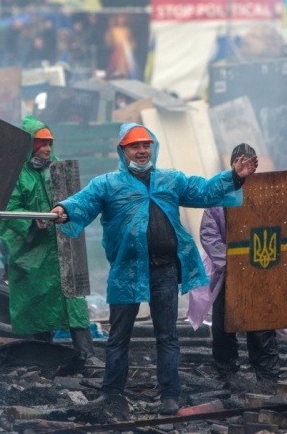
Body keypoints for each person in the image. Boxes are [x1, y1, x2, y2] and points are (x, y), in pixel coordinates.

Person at [49, 124, 258, 414]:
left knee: (167, 337)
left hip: (164, 271)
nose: (142, 150)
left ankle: (170, 395)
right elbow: (82, 202)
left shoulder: (171, 180)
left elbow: (205, 191)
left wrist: (235, 176)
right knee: (118, 337)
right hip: (127, 271)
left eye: (146, 145)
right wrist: (63, 210)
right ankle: (111, 394)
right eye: (135, 146)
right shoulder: (107, 184)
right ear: (122, 151)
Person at [0, 116, 95, 361]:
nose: (47, 148)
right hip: (35, 252)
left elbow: (77, 201)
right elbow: (9, 209)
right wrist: (32, 220)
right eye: (41, 143)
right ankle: (45, 356)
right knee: (39, 302)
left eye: (49, 143)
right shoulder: (17, 175)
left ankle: (86, 354)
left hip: (64, 247)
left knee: (74, 301)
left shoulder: (61, 170)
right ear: (30, 145)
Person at [200, 144, 280, 385]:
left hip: (260, 270)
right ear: (234, 163)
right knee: (225, 324)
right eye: (240, 161)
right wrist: (230, 263)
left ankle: (266, 375)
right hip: (229, 273)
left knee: (261, 323)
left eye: (250, 161)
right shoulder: (219, 197)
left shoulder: (266, 194)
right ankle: (227, 372)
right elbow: (209, 234)